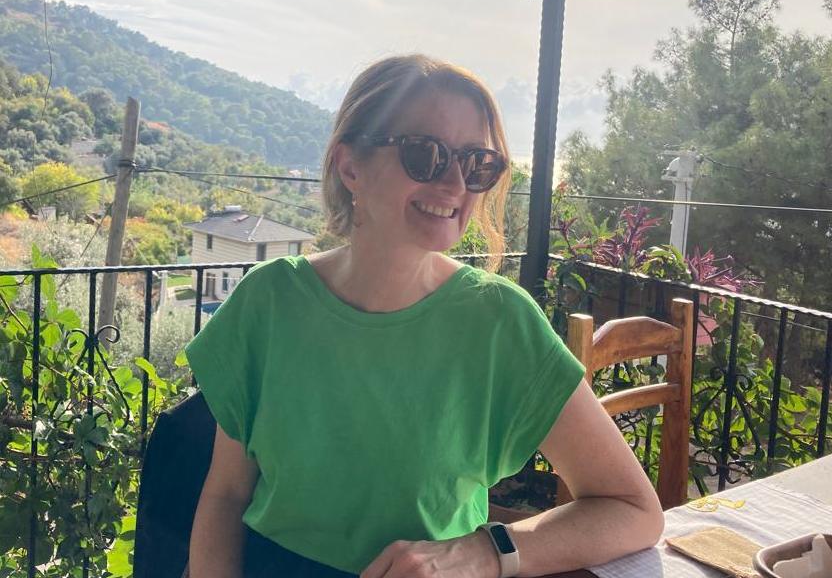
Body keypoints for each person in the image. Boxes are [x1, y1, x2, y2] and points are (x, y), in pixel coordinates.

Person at [186, 54, 664, 578]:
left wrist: (486, 551)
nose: (456, 183)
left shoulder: (500, 324)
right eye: (425, 154)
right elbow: (227, 494)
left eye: (477, 163)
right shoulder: (269, 301)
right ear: (351, 167)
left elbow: (634, 510)